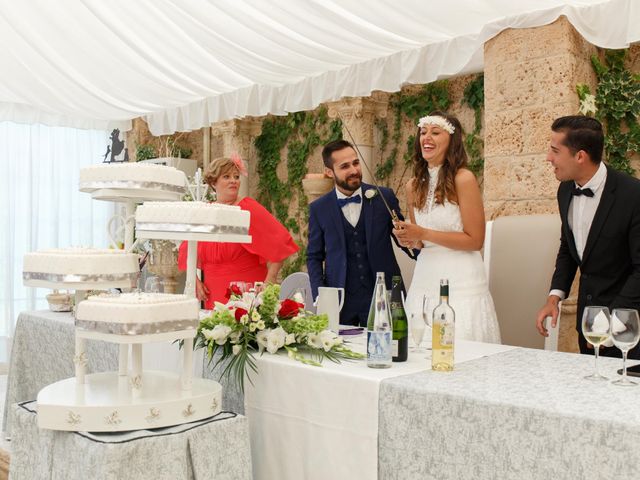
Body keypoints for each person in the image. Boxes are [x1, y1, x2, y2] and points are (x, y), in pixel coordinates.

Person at [535, 115, 640, 358]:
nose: (548, 158)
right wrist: (555, 297)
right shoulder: (565, 190)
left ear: (580, 156)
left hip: (629, 327)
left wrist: (611, 319)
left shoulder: (633, 195)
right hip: (588, 326)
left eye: (554, 151)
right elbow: (568, 249)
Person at [393, 112, 501, 343]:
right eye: (423, 132)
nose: (426, 138)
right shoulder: (413, 186)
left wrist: (423, 233)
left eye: (435, 132)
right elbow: (421, 243)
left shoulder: (464, 178)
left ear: (452, 139)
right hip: (425, 276)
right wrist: (409, 237)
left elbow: (475, 240)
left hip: (460, 278)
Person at [307, 140, 410, 327]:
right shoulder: (319, 209)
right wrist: (320, 295)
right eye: (344, 166)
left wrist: (427, 254)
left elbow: (405, 239)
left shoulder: (383, 197)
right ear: (329, 172)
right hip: (341, 303)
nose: (354, 170)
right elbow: (313, 257)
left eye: (355, 163)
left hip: (385, 296)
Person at [178, 155, 298, 308]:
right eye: (226, 176)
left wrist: (269, 282)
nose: (233, 180)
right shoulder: (205, 211)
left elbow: (280, 243)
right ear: (213, 182)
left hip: (247, 292)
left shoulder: (248, 208)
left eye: (236, 176)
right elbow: (186, 250)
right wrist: (194, 281)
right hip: (212, 293)